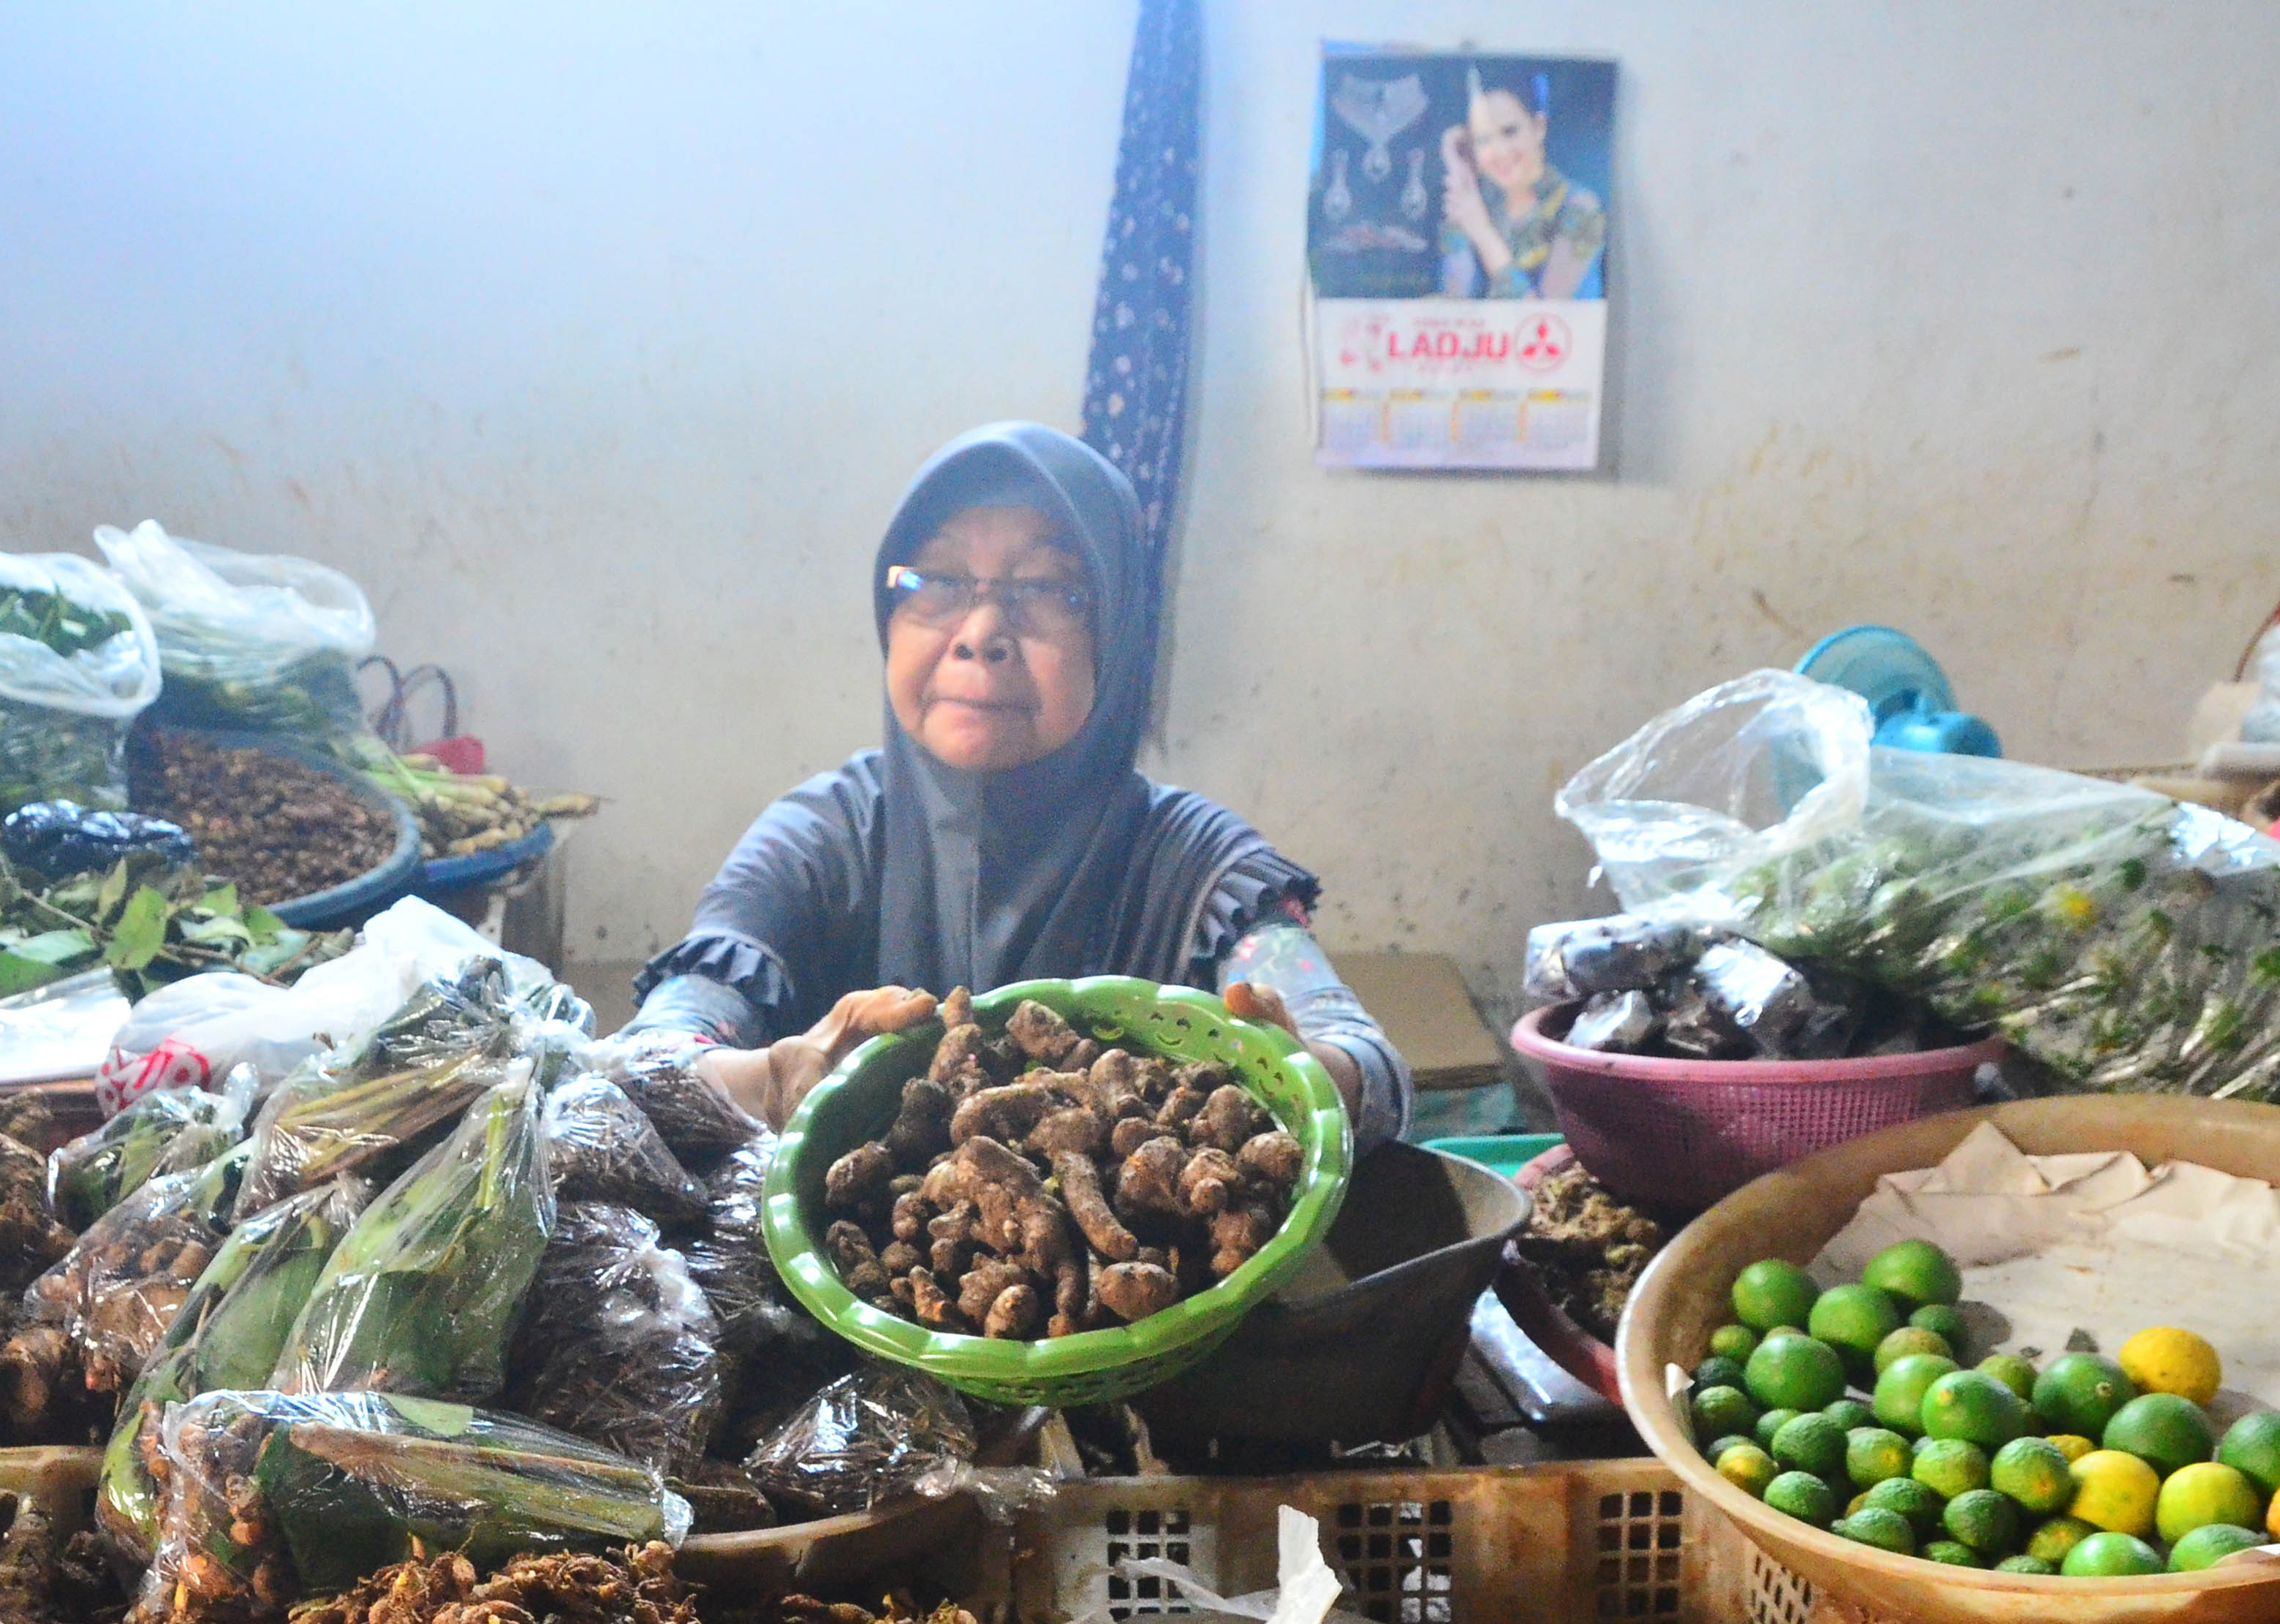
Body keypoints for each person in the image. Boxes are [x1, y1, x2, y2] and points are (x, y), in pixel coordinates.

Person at [629, 422, 1412, 1145]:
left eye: (1045, 588)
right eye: (936, 580)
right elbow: (646, 1062)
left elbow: (1370, 1069)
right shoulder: (821, 841)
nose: (979, 635)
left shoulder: (1197, 868)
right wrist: (770, 1082)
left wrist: (1306, 1074)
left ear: (1119, 640)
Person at [1438, 67, 1605, 303]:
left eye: (1510, 132)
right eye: (1483, 140)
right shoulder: (1480, 205)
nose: (1500, 152)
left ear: (1538, 127)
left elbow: (1545, 319)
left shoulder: (1579, 207)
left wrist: (1483, 234)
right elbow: (1453, 303)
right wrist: (1459, 172)